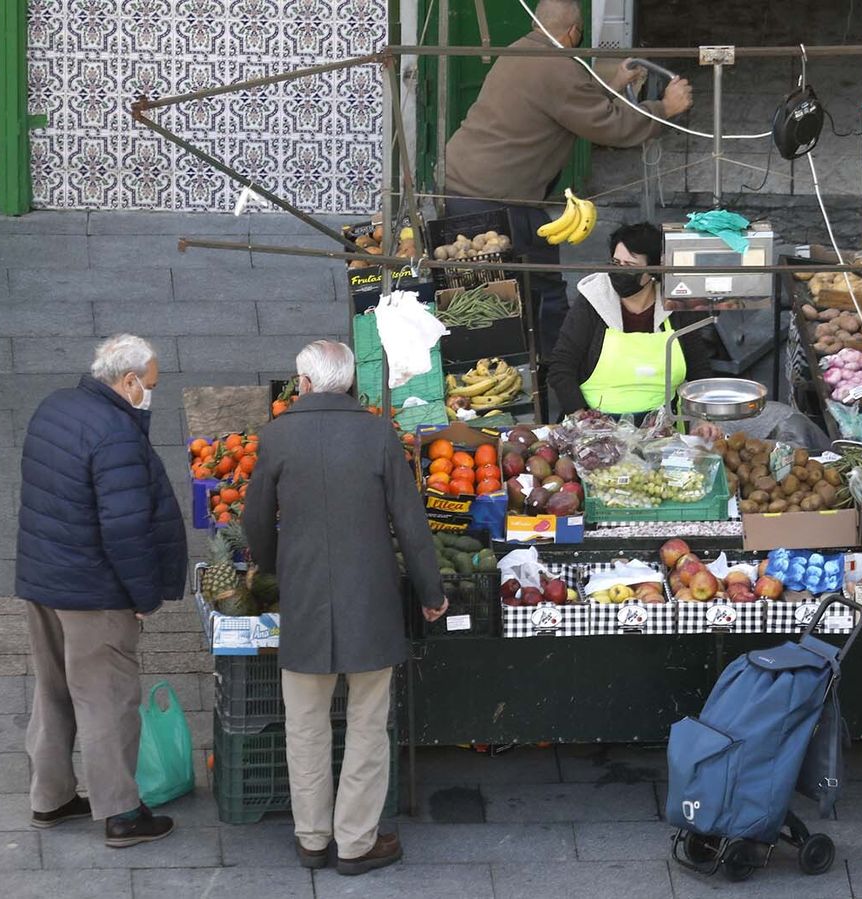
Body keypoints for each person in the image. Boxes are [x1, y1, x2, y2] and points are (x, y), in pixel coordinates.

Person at [243, 340, 447, 876]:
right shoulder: (378, 433)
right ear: (351, 383)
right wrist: (431, 593)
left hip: (305, 599)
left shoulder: (277, 434)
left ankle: (311, 838)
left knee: (305, 725)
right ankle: (355, 842)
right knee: (366, 723)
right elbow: (410, 523)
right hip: (371, 602)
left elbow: (257, 520)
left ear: (305, 383)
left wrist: (271, 567)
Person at [442, 0, 693, 354]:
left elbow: (571, 102)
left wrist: (614, 82)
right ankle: (554, 367)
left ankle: (493, 360)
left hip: (464, 183)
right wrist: (665, 109)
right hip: (495, 196)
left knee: (479, 285)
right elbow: (607, 124)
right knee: (540, 286)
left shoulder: (522, 51)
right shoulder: (557, 67)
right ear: (574, 32)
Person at [14, 333, 186, 848]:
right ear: (128, 380)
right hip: (94, 592)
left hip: (44, 579)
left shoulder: (56, 407)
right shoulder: (116, 435)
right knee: (107, 699)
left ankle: (51, 798)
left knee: (54, 690)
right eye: (149, 385)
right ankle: (121, 814)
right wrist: (143, 597)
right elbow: (126, 528)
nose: (151, 394)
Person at [546, 222, 718, 431]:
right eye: (616, 263)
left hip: (663, 430)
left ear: (654, 271)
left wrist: (703, 419)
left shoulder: (676, 306)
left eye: (630, 266)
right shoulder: (592, 302)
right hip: (596, 429)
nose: (620, 273)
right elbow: (560, 367)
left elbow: (699, 368)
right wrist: (581, 417)